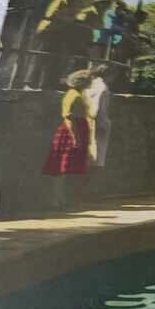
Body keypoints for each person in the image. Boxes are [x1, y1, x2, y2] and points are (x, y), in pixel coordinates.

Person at [42, 69, 96, 209]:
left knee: (70, 168)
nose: (91, 83)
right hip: (72, 132)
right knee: (61, 168)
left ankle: (63, 200)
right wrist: (75, 137)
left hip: (80, 131)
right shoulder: (72, 95)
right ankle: (55, 201)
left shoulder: (80, 94)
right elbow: (68, 117)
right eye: (89, 80)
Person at [84, 65, 113, 168]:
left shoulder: (90, 84)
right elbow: (98, 105)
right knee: (98, 153)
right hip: (98, 120)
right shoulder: (102, 87)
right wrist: (102, 121)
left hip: (87, 119)